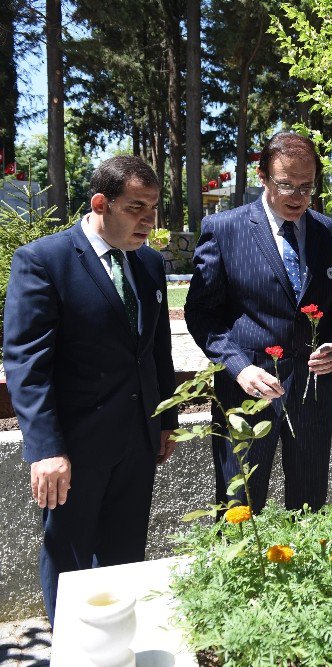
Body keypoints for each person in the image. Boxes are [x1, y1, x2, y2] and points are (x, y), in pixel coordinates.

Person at [3, 156, 178, 624]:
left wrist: (166, 421)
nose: (148, 220)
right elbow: (27, 364)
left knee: (124, 561)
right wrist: (45, 450)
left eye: (154, 208)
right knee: (71, 566)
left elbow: (156, 350)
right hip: (73, 452)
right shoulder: (44, 261)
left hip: (137, 444)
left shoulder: (148, 265)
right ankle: (73, 651)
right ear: (101, 203)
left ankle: (115, 648)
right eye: (136, 207)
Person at [186, 131, 332, 513]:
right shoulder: (226, 230)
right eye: (286, 185)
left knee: (310, 506)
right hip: (247, 390)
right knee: (240, 507)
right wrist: (238, 367)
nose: (297, 197)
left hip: (313, 392)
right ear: (262, 176)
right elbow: (201, 313)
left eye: (306, 187)